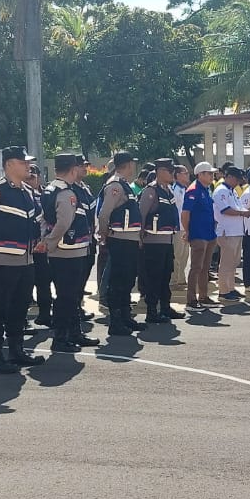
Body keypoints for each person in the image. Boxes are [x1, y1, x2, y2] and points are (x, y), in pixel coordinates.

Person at [0, 146, 47, 374]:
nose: (28, 166)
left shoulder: (27, 191)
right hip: (1, 260)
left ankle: (16, 351)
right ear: (10, 164)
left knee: (19, 309)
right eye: (23, 162)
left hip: (26, 260)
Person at [41, 153, 99, 354]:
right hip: (68, 250)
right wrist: (50, 242)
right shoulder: (66, 192)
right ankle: (61, 337)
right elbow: (63, 222)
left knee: (70, 296)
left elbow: (43, 219)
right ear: (73, 169)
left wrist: (47, 240)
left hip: (70, 248)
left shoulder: (53, 188)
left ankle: (73, 333)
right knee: (67, 297)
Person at [96, 151, 144, 336]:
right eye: (133, 163)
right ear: (129, 164)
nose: (134, 167)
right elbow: (104, 214)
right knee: (118, 281)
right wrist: (104, 234)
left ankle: (125, 317)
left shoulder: (124, 184)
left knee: (127, 280)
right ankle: (116, 322)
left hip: (129, 239)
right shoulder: (115, 185)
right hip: (120, 239)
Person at [137, 159, 184, 325]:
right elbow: (141, 215)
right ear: (160, 171)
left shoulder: (168, 190)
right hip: (153, 242)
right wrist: (139, 238)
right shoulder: (151, 191)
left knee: (165, 276)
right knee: (154, 277)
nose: (172, 174)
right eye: (169, 171)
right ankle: (152, 311)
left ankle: (165, 307)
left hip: (167, 240)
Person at [181, 162, 219, 311]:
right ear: (200, 174)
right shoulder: (193, 190)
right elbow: (185, 214)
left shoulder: (206, 189)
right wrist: (187, 231)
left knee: (205, 268)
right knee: (196, 267)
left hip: (209, 233)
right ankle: (191, 300)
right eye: (209, 173)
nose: (212, 176)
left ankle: (203, 296)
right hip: (198, 233)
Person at [212, 167, 250, 301]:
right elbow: (225, 210)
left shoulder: (232, 191)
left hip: (236, 230)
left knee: (233, 262)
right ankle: (223, 291)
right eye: (236, 179)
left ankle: (230, 288)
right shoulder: (221, 190)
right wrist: (243, 213)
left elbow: (238, 207)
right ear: (229, 177)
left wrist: (247, 211)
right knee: (226, 263)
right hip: (227, 231)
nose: (238, 182)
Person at [25, 164, 53, 328]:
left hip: (41, 245)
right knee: (24, 284)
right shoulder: (22, 195)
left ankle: (44, 314)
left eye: (33, 177)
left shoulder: (46, 195)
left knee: (44, 281)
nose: (30, 180)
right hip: (25, 246)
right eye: (27, 177)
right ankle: (22, 320)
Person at [168, 164, 190, 291]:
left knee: (185, 255)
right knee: (177, 254)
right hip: (178, 227)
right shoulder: (174, 190)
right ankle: (173, 280)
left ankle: (181, 279)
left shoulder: (185, 189)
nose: (187, 175)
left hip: (186, 227)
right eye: (185, 173)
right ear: (177, 175)